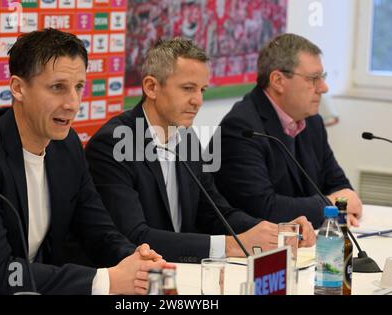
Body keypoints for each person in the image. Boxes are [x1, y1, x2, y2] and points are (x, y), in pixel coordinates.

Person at [0, 29, 165, 295]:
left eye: (79, 87)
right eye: (57, 87)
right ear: (18, 88)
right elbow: (0, 273)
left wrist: (134, 260)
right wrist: (106, 280)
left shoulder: (66, 145)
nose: (72, 103)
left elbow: (98, 229)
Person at [85, 37, 315, 263]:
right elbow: (134, 236)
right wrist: (230, 245)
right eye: (187, 89)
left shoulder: (187, 138)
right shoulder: (115, 143)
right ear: (151, 87)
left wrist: (273, 232)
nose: (198, 101)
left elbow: (215, 213)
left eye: (202, 90)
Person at [212, 33, 362, 228]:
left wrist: (339, 205)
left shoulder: (313, 122)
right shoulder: (241, 128)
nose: (323, 88)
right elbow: (264, 208)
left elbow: (339, 185)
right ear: (278, 81)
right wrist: (333, 207)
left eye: (322, 77)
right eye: (313, 79)